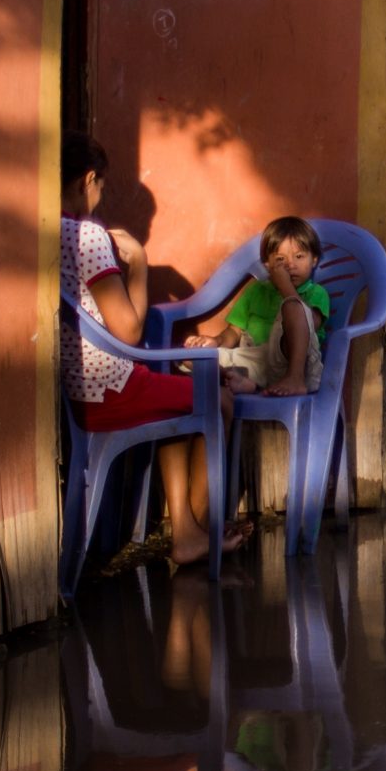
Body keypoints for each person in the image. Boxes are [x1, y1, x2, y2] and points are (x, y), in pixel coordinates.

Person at [61, 133, 251, 568]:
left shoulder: (41, 230)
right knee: (216, 399)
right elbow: (127, 331)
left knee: (180, 394)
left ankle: (187, 532)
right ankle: (198, 533)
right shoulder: (86, 236)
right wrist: (141, 264)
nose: (100, 195)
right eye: (101, 186)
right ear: (88, 179)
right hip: (109, 391)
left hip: (77, 389)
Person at [182, 216, 331, 397]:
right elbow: (234, 332)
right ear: (268, 265)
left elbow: (308, 327)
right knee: (192, 358)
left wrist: (285, 287)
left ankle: (294, 379)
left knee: (292, 307)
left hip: (296, 361)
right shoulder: (256, 291)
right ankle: (242, 382)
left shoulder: (316, 293)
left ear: (314, 260)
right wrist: (216, 342)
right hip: (256, 359)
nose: (290, 265)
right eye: (280, 259)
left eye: (299, 256)